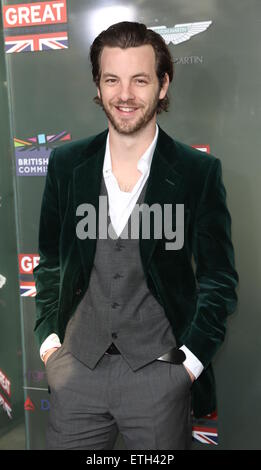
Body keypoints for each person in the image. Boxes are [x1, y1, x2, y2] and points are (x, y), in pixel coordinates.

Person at [33, 21, 239, 450]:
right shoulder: (67, 164)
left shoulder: (198, 173)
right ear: (99, 85)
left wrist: (189, 365)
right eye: (113, 79)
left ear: (163, 85)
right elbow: (50, 260)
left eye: (139, 80)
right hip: (75, 377)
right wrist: (51, 347)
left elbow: (218, 279)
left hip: (159, 379)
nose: (125, 95)